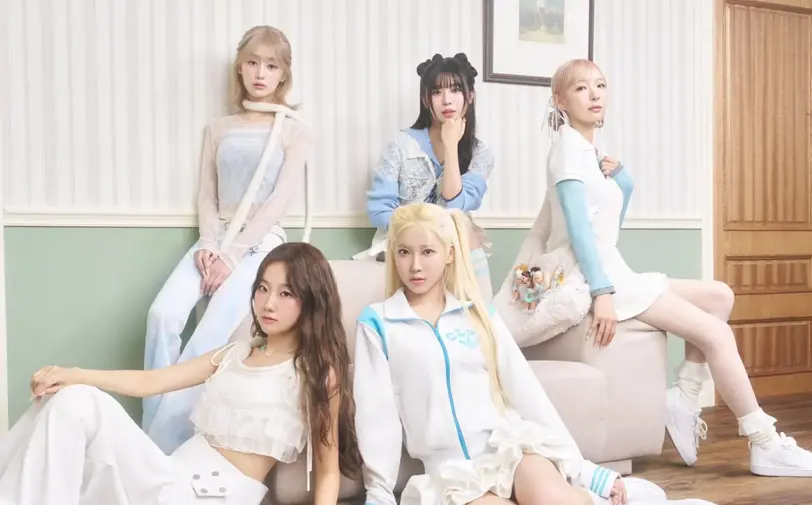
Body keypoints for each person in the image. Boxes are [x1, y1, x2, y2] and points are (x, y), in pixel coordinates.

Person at [494, 58, 812, 479]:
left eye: (600, 85)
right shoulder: (567, 149)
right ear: (560, 100)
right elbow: (579, 231)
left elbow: (605, 230)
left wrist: (624, 182)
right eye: (582, 88)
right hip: (597, 278)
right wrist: (602, 293)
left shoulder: (588, 151)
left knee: (720, 296)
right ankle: (764, 441)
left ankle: (684, 398)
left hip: (610, 268)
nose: (595, 94)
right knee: (716, 334)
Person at [353, 202, 717, 505]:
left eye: (427, 251)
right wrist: (379, 493)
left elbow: (526, 393)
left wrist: (584, 470)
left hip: (509, 449)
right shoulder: (379, 323)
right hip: (452, 477)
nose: (415, 266)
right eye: (404, 252)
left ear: (450, 254)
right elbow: (376, 414)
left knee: (551, 498)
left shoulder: (478, 315)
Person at [0, 242, 361, 505]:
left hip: (214, 497)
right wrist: (75, 374)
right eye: (263, 289)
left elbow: (328, 472)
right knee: (70, 398)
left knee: (78, 402)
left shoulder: (316, 374)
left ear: (312, 300)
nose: (268, 303)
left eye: (286, 293)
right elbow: (153, 381)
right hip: (171, 478)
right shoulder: (235, 353)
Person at [142, 25, 314, 453]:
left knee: (207, 339)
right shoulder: (218, 128)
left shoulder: (294, 130)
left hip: (261, 244)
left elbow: (278, 201)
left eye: (271, 65)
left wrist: (233, 256)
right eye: (253, 62)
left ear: (283, 73)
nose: (260, 73)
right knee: (162, 315)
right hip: (214, 238)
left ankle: (164, 447)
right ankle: (150, 437)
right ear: (240, 67)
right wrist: (208, 244)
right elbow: (207, 194)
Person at [354, 52, 496, 302]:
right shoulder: (401, 145)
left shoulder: (479, 154)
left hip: (451, 244)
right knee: (453, 235)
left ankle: (485, 316)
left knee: (462, 226)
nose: (446, 100)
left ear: (470, 96)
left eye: (455, 90)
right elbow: (379, 210)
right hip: (403, 241)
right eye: (437, 92)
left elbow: (455, 205)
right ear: (426, 99)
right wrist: (420, 233)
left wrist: (451, 146)